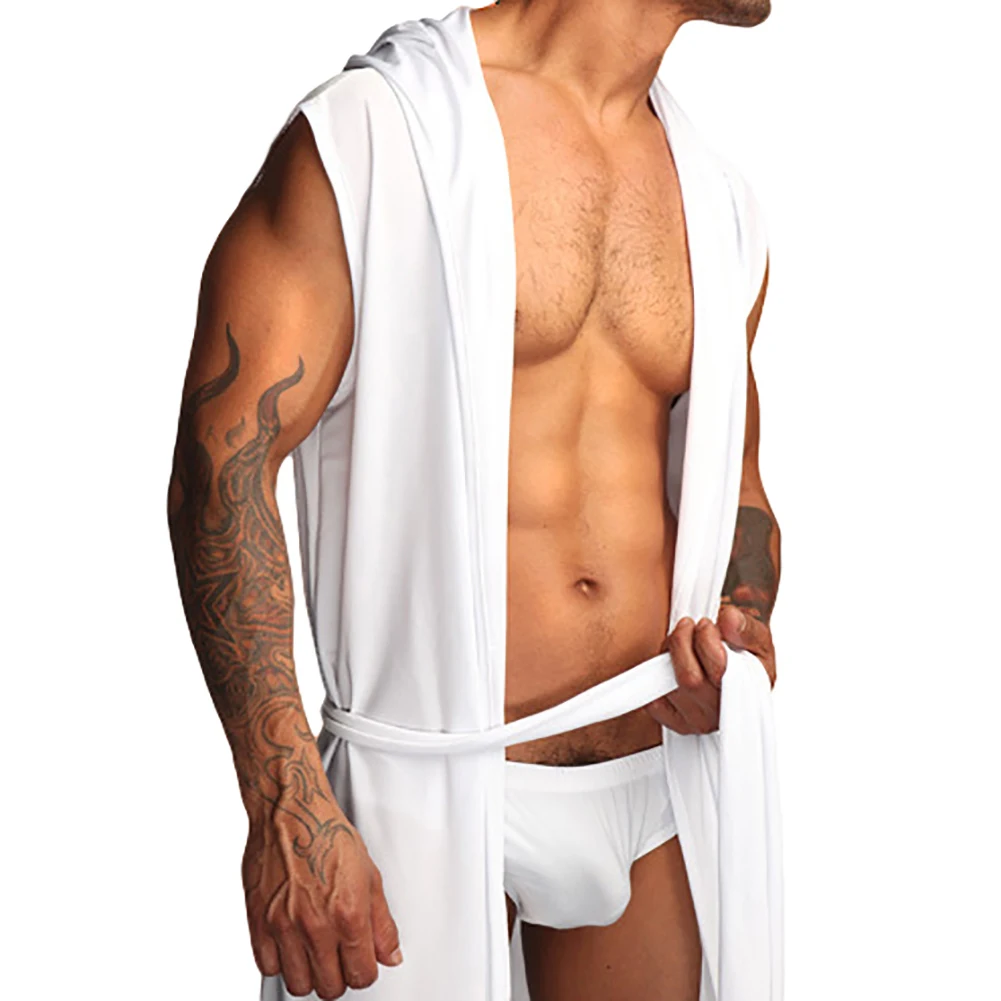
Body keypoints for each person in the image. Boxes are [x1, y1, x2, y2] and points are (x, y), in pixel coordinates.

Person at [167, 1, 780, 998]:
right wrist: (284, 798)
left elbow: (735, 485)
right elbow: (221, 464)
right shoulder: (373, 134)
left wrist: (741, 625)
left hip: (647, 777)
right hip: (420, 777)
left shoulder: (716, 200)